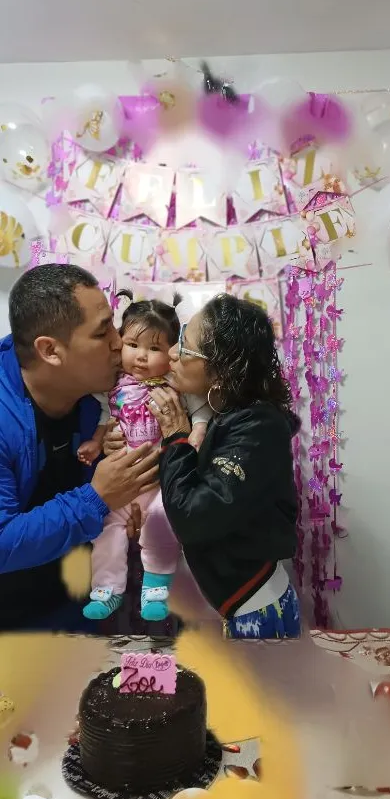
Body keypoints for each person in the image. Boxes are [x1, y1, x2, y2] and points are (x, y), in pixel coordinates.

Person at [105, 294, 301, 639]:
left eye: (185, 347)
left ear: (221, 372)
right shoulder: (224, 414)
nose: (172, 353)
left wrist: (177, 437)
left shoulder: (258, 428)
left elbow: (194, 516)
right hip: (227, 601)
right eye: (179, 339)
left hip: (254, 606)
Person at [0, 264, 159, 632]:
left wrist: (127, 508)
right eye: (103, 332)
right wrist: (97, 497)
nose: (120, 343)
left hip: (80, 608)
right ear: (51, 350)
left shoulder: (106, 398)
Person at [77, 292, 211, 622]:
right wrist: (96, 443)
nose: (141, 356)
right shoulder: (112, 385)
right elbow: (105, 418)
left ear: (172, 353)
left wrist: (197, 432)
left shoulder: (175, 384)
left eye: (154, 348)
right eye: (133, 345)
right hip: (122, 484)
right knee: (106, 530)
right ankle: (106, 589)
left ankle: (156, 587)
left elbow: (201, 407)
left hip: (161, 482)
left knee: (162, 524)